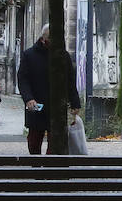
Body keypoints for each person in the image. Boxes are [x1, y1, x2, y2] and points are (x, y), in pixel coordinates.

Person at [17, 24, 81, 154]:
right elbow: (23, 80)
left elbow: (70, 81)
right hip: (36, 104)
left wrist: (75, 103)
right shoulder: (29, 55)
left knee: (56, 142)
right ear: (43, 38)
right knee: (34, 141)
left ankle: (51, 169)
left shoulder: (64, 56)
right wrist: (28, 98)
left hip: (57, 106)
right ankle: (37, 170)